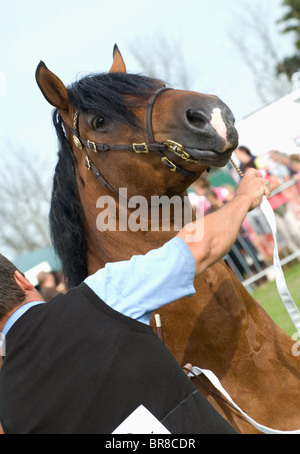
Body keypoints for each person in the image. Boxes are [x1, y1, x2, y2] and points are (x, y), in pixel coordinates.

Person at [0, 169, 271, 434]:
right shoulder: (101, 294)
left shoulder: (7, 409)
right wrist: (243, 198)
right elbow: (201, 247)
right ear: (22, 280)